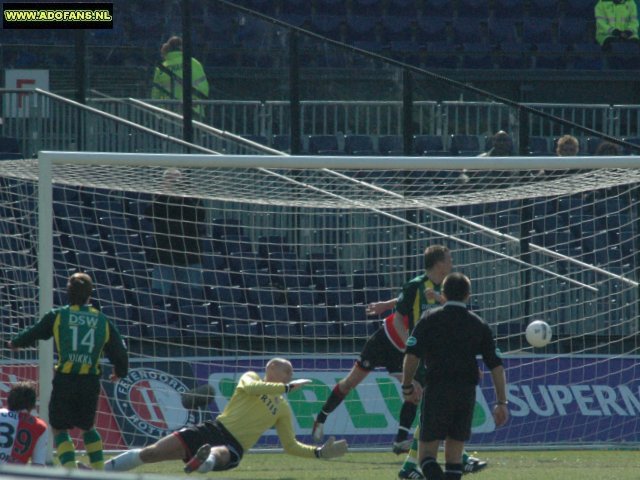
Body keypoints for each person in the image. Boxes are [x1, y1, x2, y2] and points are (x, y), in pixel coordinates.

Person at [103, 358, 348, 474]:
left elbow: (290, 445)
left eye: (290, 372)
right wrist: (285, 388)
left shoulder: (282, 408)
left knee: (219, 451)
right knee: (151, 453)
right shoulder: (250, 377)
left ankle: (204, 462)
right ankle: (99, 472)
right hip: (212, 428)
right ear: (271, 369)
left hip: (234, 444)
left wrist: (318, 452)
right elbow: (251, 390)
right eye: (287, 369)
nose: (290, 373)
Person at [8, 272, 129, 470]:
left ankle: (71, 471)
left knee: (59, 428)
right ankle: (99, 472)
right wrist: (120, 372)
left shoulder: (59, 315)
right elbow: (120, 351)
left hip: (65, 379)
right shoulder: (102, 320)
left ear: (67, 293)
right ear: (90, 294)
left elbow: (35, 331)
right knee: (88, 427)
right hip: (90, 381)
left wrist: (16, 342)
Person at [401, 273, 509, 480]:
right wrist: (501, 402)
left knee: (426, 457)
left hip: (437, 391)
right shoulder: (478, 324)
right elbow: (496, 366)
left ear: (443, 293)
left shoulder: (430, 318)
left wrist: (407, 385)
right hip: (465, 394)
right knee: (454, 459)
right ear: (468, 295)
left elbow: (412, 355)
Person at [145, 168, 205, 298]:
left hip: (189, 255)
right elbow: (149, 215)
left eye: (177, 179)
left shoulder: (191, 197)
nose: (174, 182)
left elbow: (200, 215)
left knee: (191, 297)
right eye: (170, 179)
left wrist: (183, 197)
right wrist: (164, 194)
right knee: (160, 296)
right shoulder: (159, 198)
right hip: (164, 256)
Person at [151, 35, 210, 119]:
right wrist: (200, 103)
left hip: (170, 111)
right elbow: (204, 86)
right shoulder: (194, 63)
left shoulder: (162, 68)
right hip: (193, 108)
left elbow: (155, 93)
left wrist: (158, 111)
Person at [0, 382, 49, 466]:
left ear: (9, 400)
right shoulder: (40, 426)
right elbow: (38, 465)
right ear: (33, 405)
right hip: (15, 476)